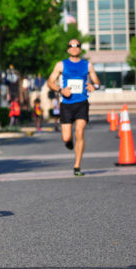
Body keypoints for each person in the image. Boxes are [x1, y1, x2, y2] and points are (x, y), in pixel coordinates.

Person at [47, 39, 101, 177]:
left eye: (77, 46)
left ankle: (77, 165)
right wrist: (60, 90)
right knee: (66, 137)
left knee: (80, 133)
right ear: (68, 49)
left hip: (82, 103)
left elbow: (97, 82)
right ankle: (68, 142)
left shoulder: (87, 65)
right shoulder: (61, 65)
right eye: (71, 46)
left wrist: (93, 86)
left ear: (80, 49)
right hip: (66, 104)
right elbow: (50, 82)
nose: (74, 48)